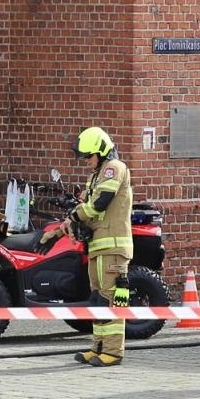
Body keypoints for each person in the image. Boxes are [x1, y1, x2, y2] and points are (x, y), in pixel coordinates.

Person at [70, 126, 132, 368]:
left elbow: (99, 204)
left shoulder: (114, 168)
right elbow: (89, 204)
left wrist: (76, 215)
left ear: (101, 151)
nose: (86, 161)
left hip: (113, 247)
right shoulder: (96, 175)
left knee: (110, 298)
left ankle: (113, 351)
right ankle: (98, 347)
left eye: (89, 156)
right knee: (97, 298)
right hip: (98, 246)